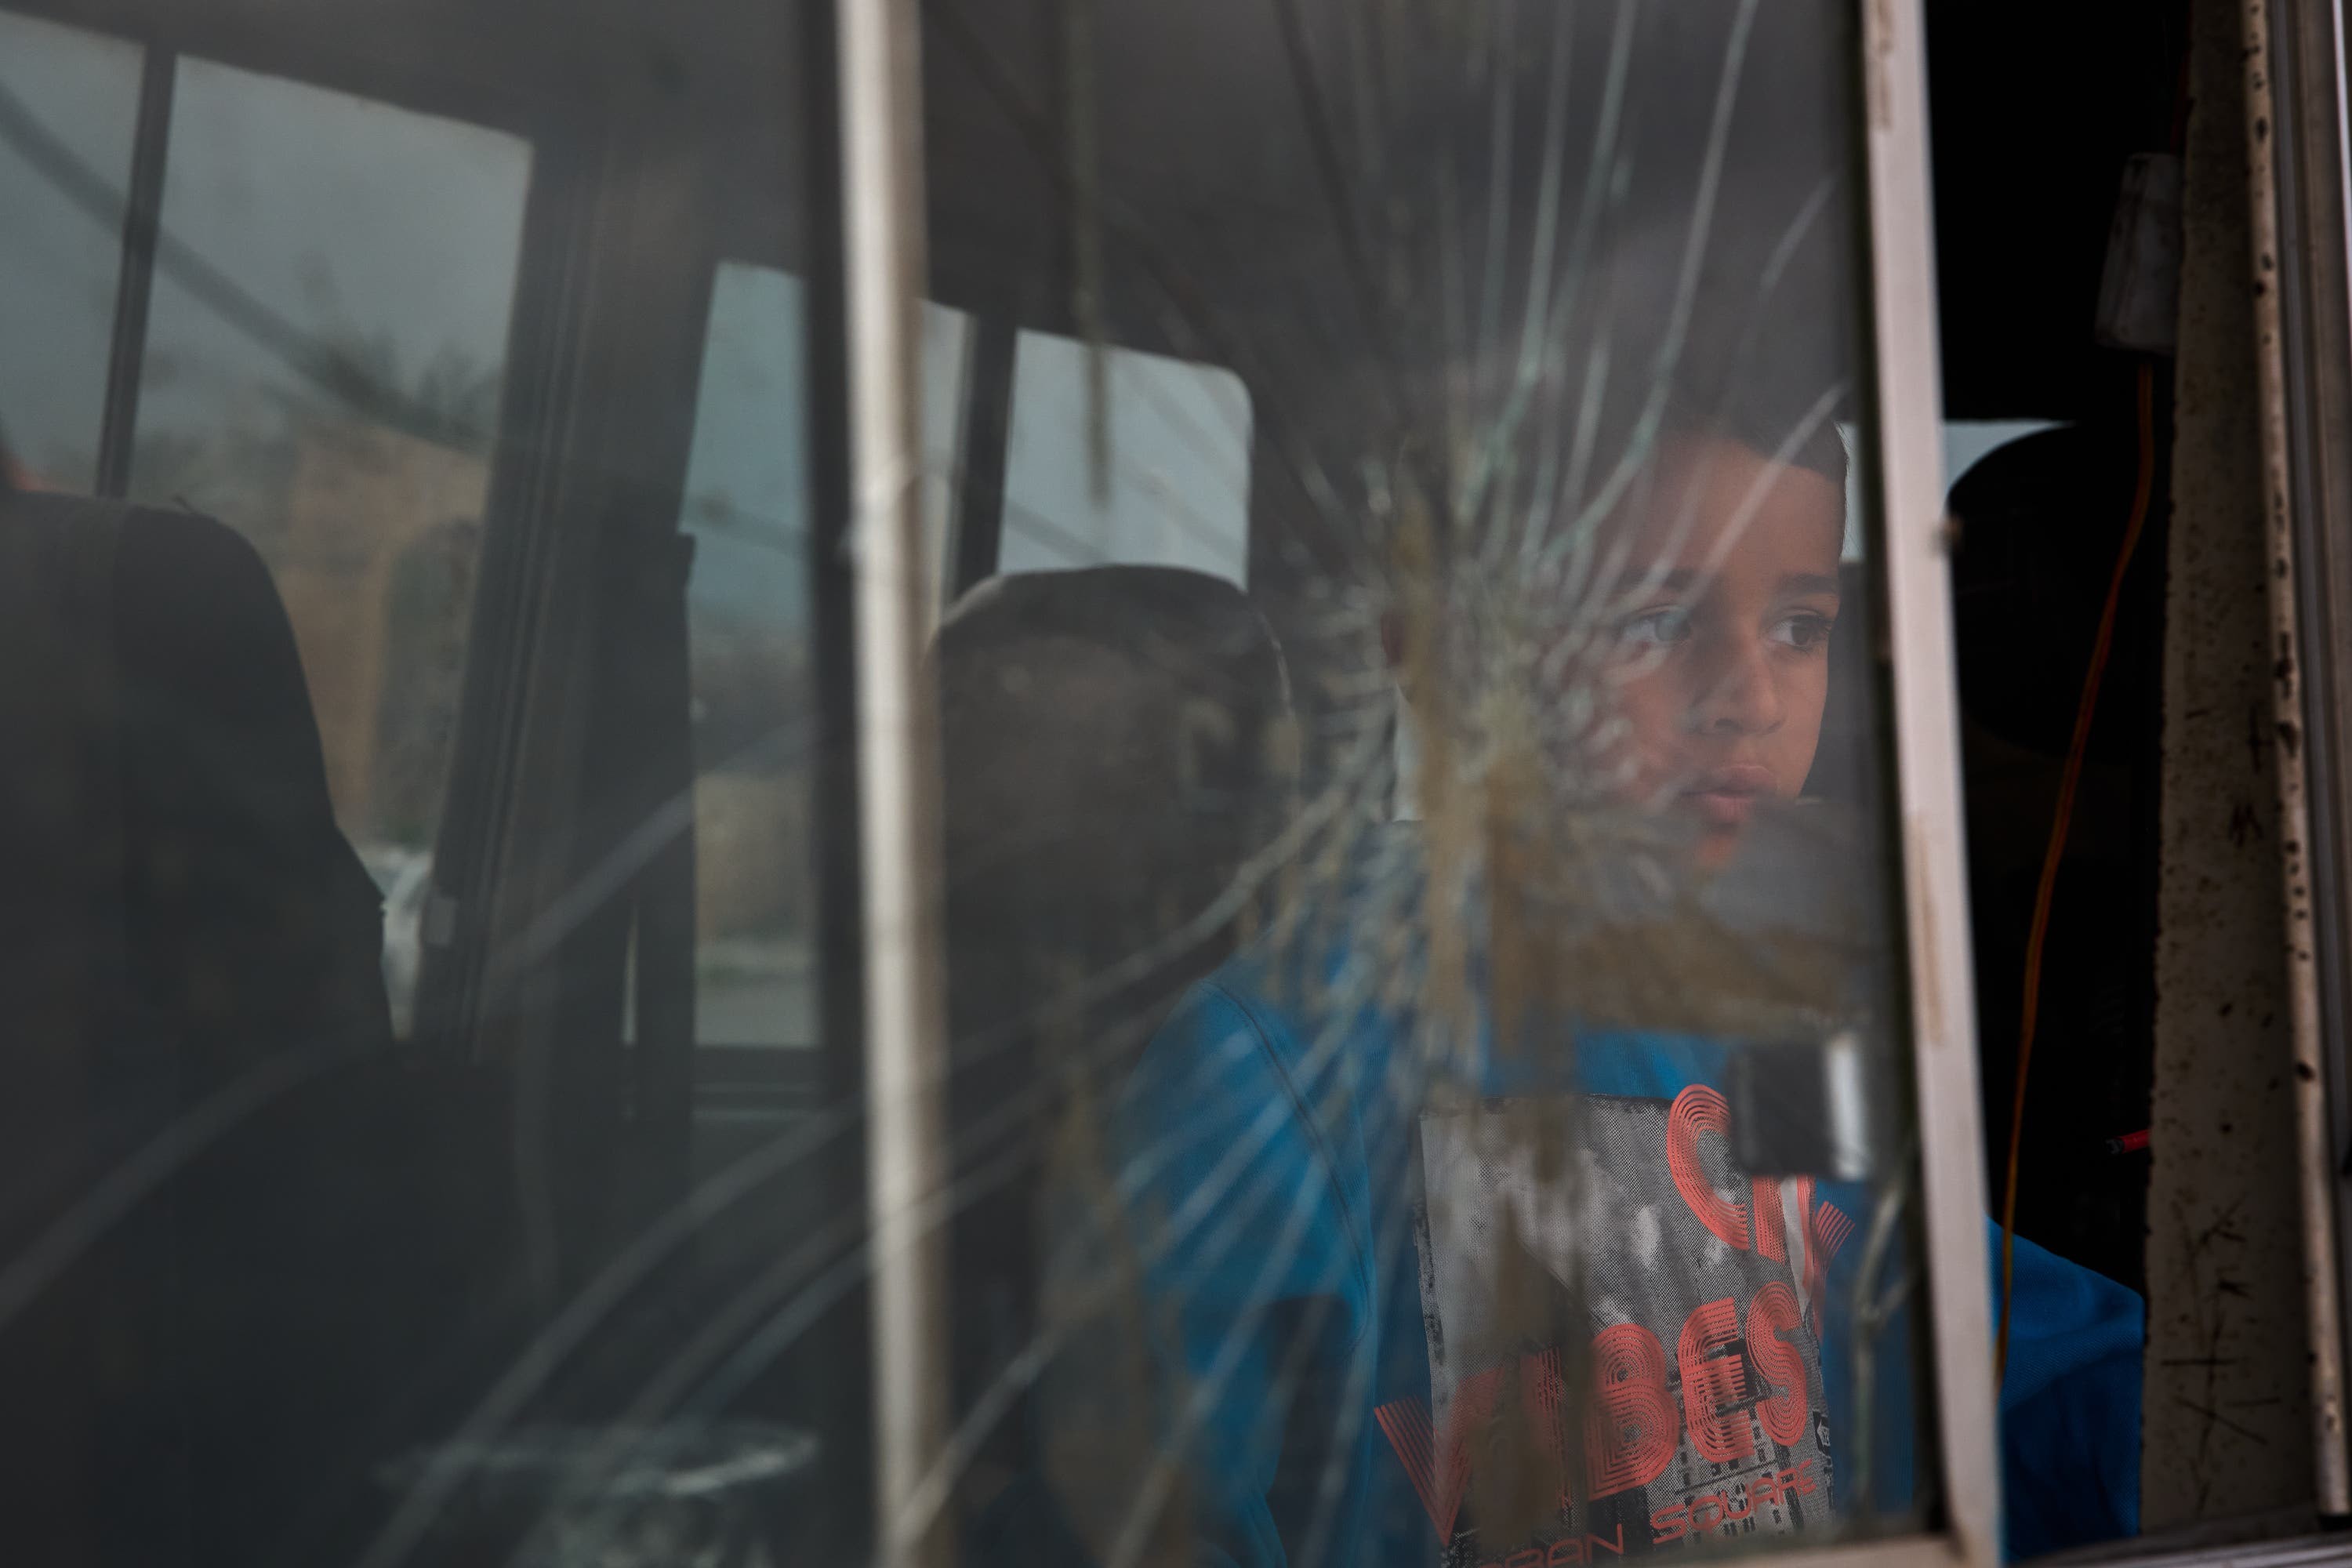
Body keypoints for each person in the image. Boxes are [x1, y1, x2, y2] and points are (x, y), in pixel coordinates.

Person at [1004, 412, 2142, 1568]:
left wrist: (2191, 1422)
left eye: (1800, 628)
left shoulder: (1780, 1017)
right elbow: (1160, 1507)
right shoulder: (1273, 1066)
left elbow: (1935, 1322)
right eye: (1652, 623)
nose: (1751, 697)